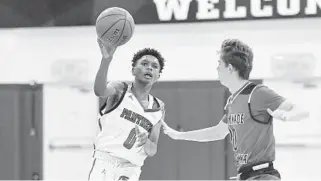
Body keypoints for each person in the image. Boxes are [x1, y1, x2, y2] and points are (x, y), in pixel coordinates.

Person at [162, 39, 309, 180]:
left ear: (230, 68)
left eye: (219, 63)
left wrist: (285, 116)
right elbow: (218, 132)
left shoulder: (257, 93)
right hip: (246, 175)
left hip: (262, 175)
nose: (217, 68)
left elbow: (300, 109)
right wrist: (178, 135)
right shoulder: (232, 101)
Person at [88, 39, 166, 181]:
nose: (149, 68)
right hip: (105, 161)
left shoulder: (158, 107)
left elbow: (152, 149)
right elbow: (99, 91)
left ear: (158, 76)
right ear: (133, 70)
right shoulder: (119, 89)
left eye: (155, 66)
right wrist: (106, 59)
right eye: (144, 64)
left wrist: (146, 142)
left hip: (130, 168)